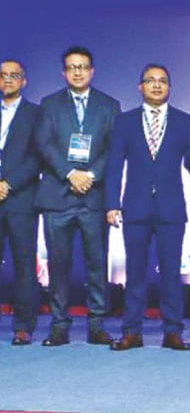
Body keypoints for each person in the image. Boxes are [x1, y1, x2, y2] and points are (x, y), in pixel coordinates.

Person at [105, 64, 190, 351]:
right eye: (151, 81)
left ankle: (173, 332)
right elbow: (114, 165)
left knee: (171, 274)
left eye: (162, 81)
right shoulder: (124, 121)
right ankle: (131, 332)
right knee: (134, 273)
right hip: (135, 207)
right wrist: (112, 204)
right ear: (140, 87)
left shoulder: (184, 121)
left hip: (171, 209)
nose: (157, 85)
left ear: (170, 87)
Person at [35, 46, 120, 347]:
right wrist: (70, 173)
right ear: (64, 73)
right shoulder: (49, 104)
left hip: (93, 198)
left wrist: (90, 175)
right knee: (58, 265)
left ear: (92, 71)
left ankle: (97, 325)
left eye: (83, 66)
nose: (78, 72)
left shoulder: (109, 105)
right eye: (72, 67)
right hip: (58, 196)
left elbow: (113, 148)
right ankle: (59, 325)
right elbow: (43, 144)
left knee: (97, 264)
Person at [0, 60, 41, 346]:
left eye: (14, 75)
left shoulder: (35, 114)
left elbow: (39, 156)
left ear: (24, 81)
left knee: (24, 265)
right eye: (3, 75)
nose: (8, 80)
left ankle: (24, 326)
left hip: (21, 199)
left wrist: (7, 183)